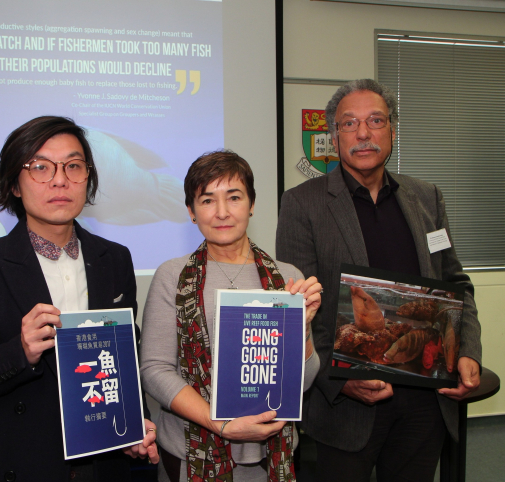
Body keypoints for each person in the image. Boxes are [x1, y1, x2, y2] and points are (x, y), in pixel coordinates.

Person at [0, 116, 158, 481]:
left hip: (98, 467)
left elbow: (121, 357)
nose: (60, 179)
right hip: (12, 464)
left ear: (88, 178)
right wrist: (19, 351)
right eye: (40, 167)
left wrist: (132, 423)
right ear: (15, 184)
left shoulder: (115, 258)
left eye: (74, 166)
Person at [276, 79, 482, 482]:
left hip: (425, 402)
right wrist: (338, 379)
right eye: (350, 124)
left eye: (375, 120)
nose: (364, 133)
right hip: (348, 407)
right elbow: (297, 309)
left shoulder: (427, 198)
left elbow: (457, 286)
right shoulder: (302, 204)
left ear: (392, 129)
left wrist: (467, 350)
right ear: (334, 137)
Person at [140, 150, 322, 482]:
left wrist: (303, 330)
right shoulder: (172, 276)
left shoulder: (287, 278)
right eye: (207, 200)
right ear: (191, 212)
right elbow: (154, 370)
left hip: (272, 456)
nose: (222, 212)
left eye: (234, 197)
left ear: (251, 204)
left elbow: (305, 382)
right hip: (191, 455)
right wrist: (220, 423)